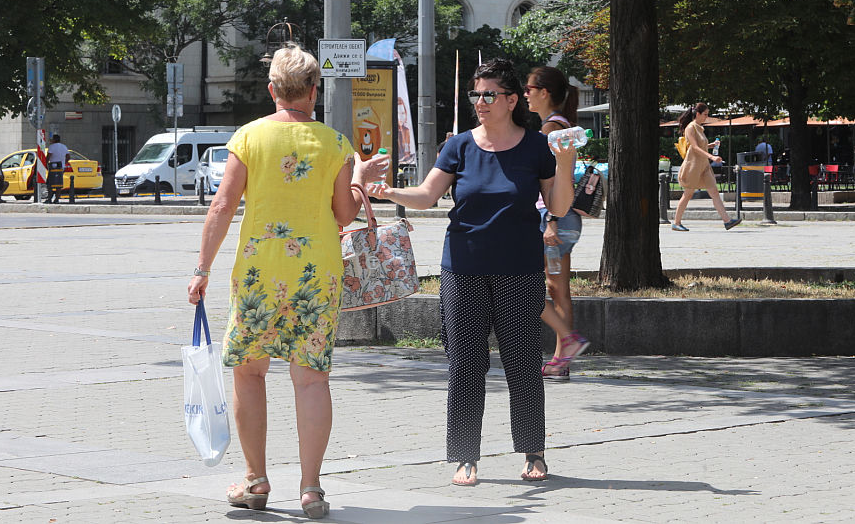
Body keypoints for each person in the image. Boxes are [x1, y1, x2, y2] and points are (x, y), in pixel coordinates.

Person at [186, 44, 386, 518]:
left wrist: (201, 269)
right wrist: (358, 178)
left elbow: (222, 206)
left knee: (249, 373)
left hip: (259, 272)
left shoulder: (249, 138)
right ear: (315, 90)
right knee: (312, 380)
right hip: (316, 274)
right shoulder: (335, 143)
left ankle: (255, 481)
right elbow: (343, 212)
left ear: (272, 89)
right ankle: (312, 488)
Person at [367, 58, 576, 487]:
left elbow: (557, 208)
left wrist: (567, 164)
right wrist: (388, 192)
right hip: (462, 269)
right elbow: (427, 195)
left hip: (519, 269)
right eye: (475, 95)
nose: (479, 102)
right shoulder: (459, 146)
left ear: (511, 100)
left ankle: (533, 452)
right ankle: (465, 456)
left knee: (522, 363)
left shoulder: (536, 146)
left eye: (488, 95)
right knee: (465, 364)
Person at [524, 66, 590, 382]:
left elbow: (557, 180)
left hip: (551, 220)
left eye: (529, 89)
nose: (525, 95)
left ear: (544, 92)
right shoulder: (559, 126)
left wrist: (551, 221)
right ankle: (562, 358)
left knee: (524, 285)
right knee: (558, 290)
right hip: (560, 220)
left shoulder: (552, 130)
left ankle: (565, 348)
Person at [672, 103, 741, 232]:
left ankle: (727, 221)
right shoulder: (691, 128)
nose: (707, 117)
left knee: (714, 192)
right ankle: (676, 222)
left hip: (703, 166)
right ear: (697, 114)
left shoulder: (699, 128)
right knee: (688, 194)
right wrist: (712, 157)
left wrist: (711, 145)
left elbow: (700, 146)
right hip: (692, 165)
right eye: (705, 114)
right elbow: (695, 148)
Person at [45, 134, 69, 203]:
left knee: (50, 184)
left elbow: (48, 156)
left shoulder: (52, 147)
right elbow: (68, 156)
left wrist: (46, 164)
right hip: (61, 167)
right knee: (59, 184)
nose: (51, 140)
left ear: (54, 140)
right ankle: (57, 199)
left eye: (52, 139)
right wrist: (64, 162)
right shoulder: (64, 146)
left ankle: (49, 199)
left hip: (53, 167)